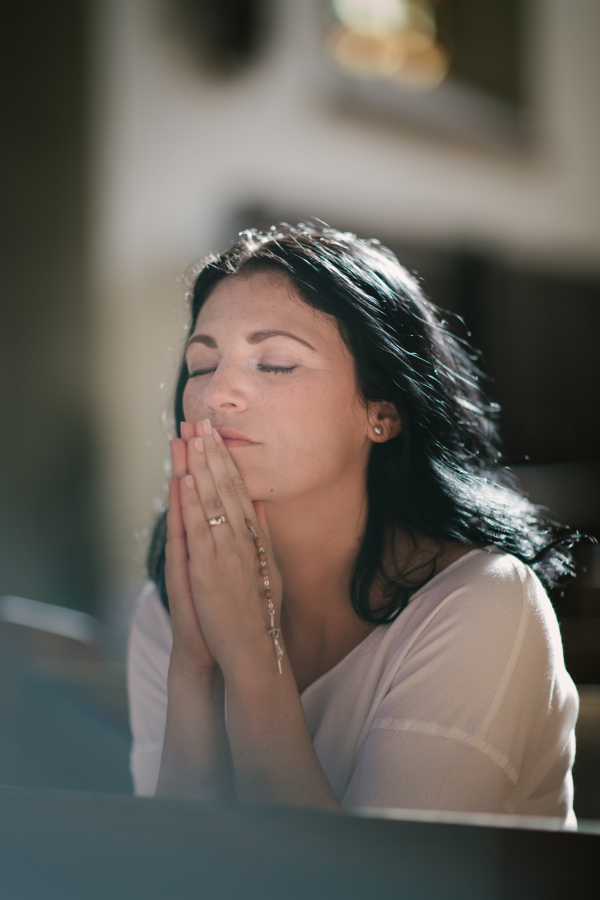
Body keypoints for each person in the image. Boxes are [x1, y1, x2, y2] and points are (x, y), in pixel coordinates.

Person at [128, 224, 578, 824]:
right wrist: (193, 665)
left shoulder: (484, 604)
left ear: (382, 412)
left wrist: (253, 654)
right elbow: (165, 872)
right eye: (202, 364)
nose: (216, 395)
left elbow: (374, 884)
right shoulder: (173, 603)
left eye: (276, 363)